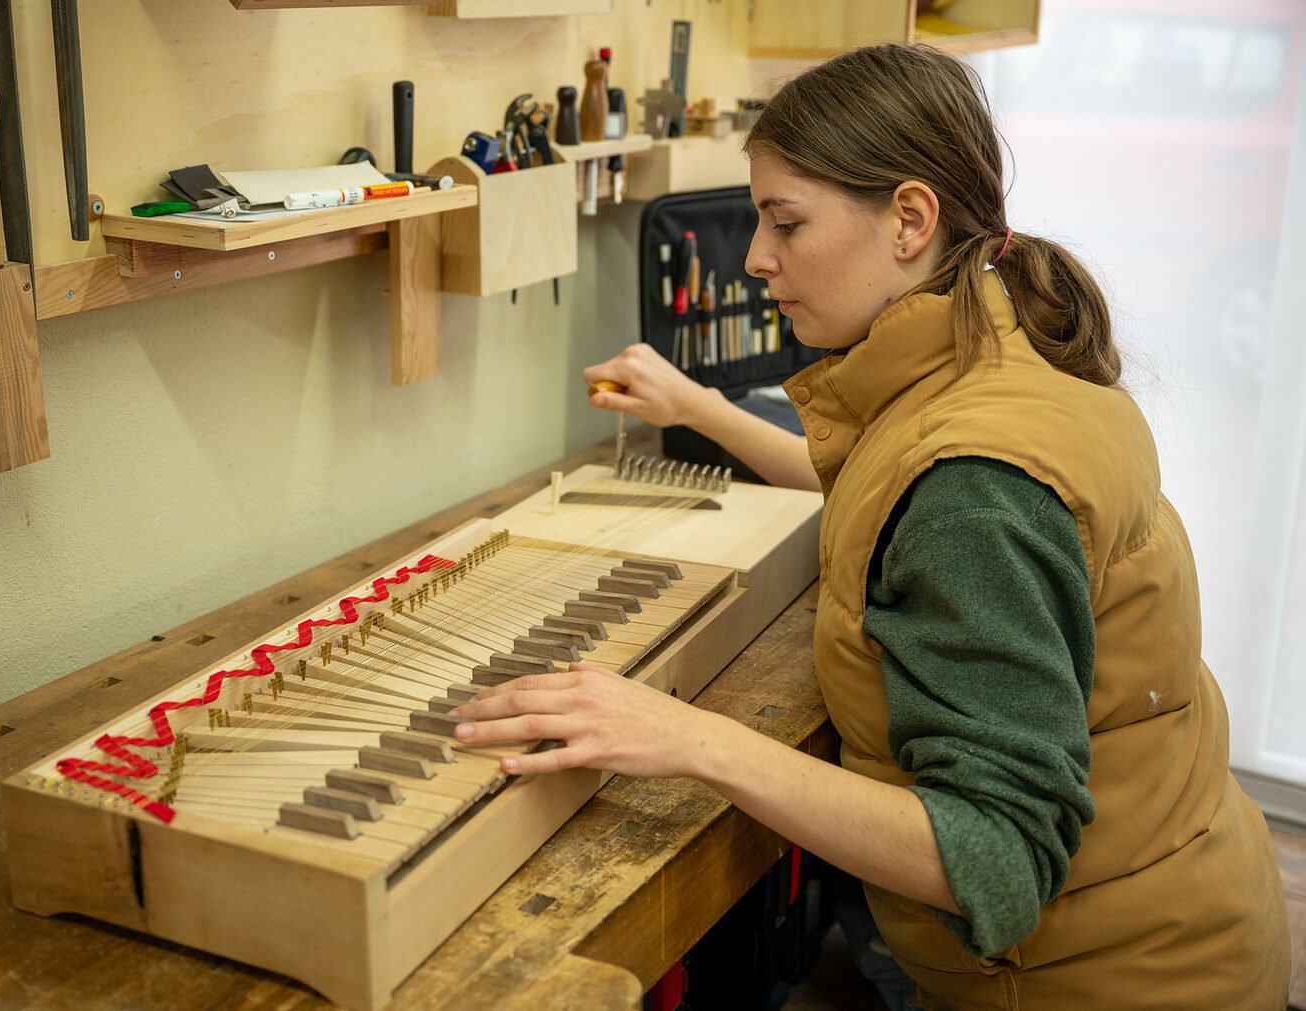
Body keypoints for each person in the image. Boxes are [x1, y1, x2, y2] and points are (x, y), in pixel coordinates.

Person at [452, 43, 1292, 1008]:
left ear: (908, 218)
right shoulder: (1000, 338)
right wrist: (694, 405)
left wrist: (689, 737)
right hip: (1182, 906)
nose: (757, 255)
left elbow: (1000, 860)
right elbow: (871, 481)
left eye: (785, 221)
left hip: (1103, 982)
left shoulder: (975, 487)